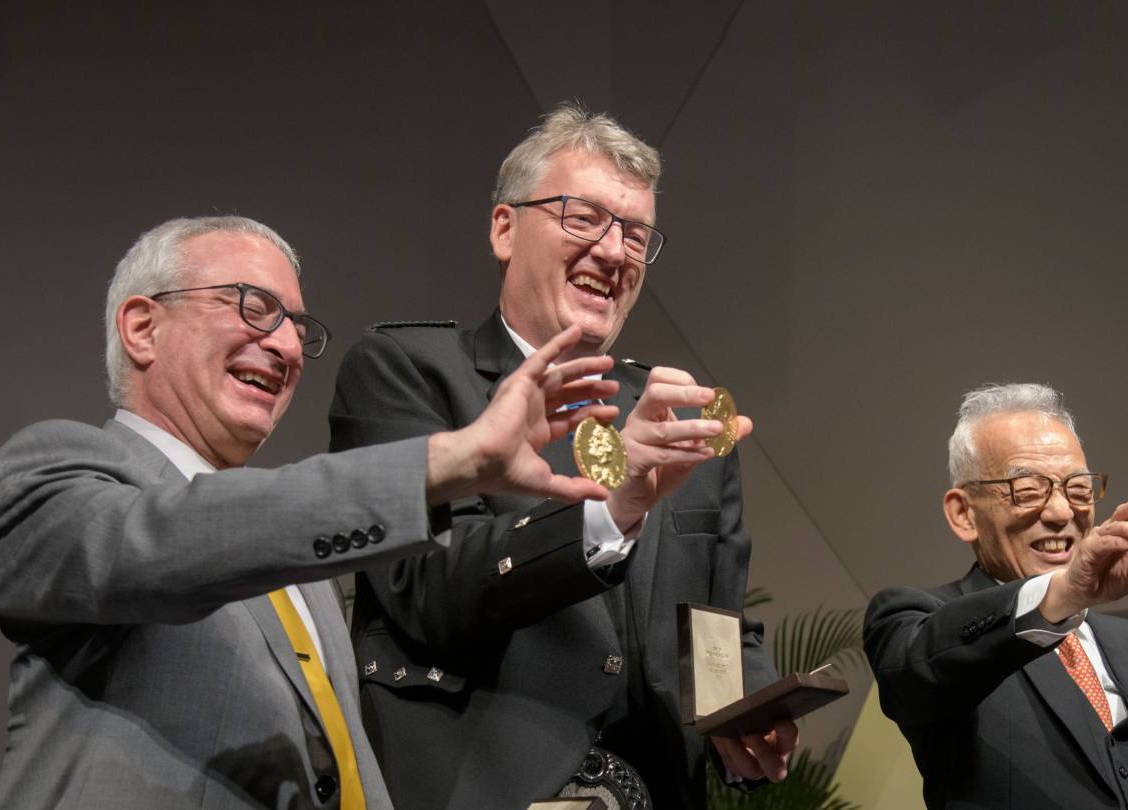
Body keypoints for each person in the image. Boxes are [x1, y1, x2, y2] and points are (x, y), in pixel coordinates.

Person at [0, 215, 619, 810]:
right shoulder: (49, 471)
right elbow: (175, 537)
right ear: (142, 326)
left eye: (297, 328)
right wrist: (449, 460)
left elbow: (345, 762)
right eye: (255, 308)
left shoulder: (303, 562)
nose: (285, 346)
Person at [329, 104, 796, 809]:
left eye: (635, 234)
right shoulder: (406, 371)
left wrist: (746, 705)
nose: (614, 253)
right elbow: (425, 595)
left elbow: (712, 624)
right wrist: (614, 509)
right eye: (584, 219)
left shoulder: (681, 413)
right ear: (504, 228)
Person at [862, 383, 1128, 810]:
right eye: (1028, 490)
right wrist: (1063, 594)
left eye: (1078, 489)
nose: (1061, 513)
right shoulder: (917, 619)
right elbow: (916, 677)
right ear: (964, 513)